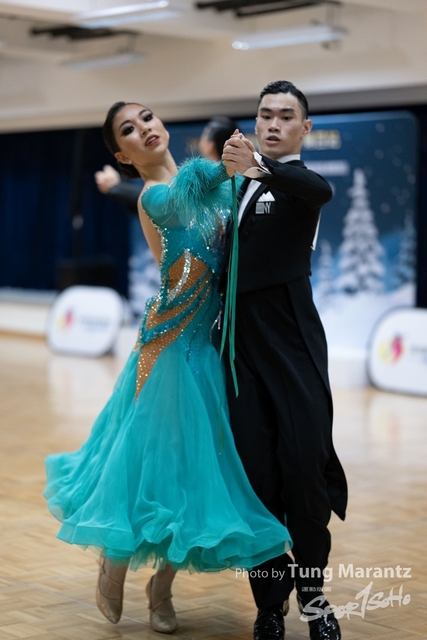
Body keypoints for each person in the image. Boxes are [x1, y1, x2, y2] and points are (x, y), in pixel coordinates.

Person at [43, 101, 292, 633]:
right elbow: (190, 195)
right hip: (166, 345)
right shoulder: (156, 196)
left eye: (147, 118)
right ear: (122, 155)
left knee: (194, 470)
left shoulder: (212, 189)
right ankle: (114, 561)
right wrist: (230, 163)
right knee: (148, 460)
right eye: (129, 130)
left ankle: (162, 586)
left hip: (205, 346)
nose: (144, 129)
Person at [222, 81, 348, 640]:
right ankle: (269, 606)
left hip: (292, 345)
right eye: (265, 115)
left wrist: (260, 167)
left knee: (304, 471)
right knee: (258, 478)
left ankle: (314, 598)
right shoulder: (236, 186)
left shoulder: (298, 185)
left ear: (305, 128)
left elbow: (319, 189)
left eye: (286, 116)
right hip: (239, 350)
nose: (273, 124)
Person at [93, 115, 238, 208]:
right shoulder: (234, 176)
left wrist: (116, 187)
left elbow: (164, 201)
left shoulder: (207, 177)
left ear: (210, 145)